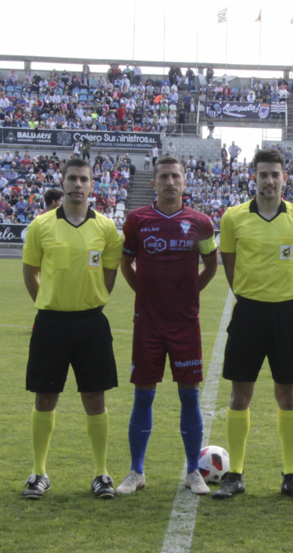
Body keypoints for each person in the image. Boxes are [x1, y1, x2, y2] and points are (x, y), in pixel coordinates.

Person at [212, 148, 293, 501]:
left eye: (275, 174)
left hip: (286, 315)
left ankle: (291, 475)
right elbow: (229, 266)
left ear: (285, 177)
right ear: (253, 177)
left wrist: (284, 292)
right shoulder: (234, 218)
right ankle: (236, 474)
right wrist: (251, 293)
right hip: (248, 314)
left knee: (287, 395)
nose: (269, 180)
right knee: (240, 394)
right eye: (263, 174)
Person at [20, 156, 124, 500]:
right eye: (72, 179)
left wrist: (92, 300)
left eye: (84, 179)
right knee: (45, 397)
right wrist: (47, 302)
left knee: (95, 398)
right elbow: (30, 272)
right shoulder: (41, 226)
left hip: (91, 322)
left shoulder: (107, 229)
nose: (78, 185)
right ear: (62, 183)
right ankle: (38, 472)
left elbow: (109, 275)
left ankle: (101, 473)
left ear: (92, 185)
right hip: (51, 322)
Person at [115, 156, 218, 496]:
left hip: (185, 324)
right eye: (164, 176)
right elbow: (125, 263)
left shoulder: (201, 223)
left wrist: (189, 294)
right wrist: (143, 293)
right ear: (154, 182)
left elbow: (211, 265)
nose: (170, 181)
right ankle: (136, 472)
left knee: (190, 396)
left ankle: (193, 472)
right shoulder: (137, 220)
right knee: (143, 396)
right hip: (148, 324)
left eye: (176, 176)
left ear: (185, 182)